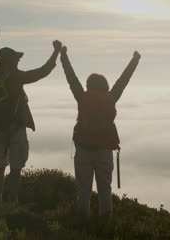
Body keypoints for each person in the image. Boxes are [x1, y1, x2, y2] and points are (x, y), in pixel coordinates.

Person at [59, 45, 141, 215]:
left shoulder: (82, 97)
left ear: (88, 85)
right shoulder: (111, 97)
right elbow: (123, 80)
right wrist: (135, 60)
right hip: (104, 149)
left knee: (83, 189)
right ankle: (105, 223)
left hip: (83, 148)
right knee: (105, 189)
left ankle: (83, 221)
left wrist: (63, 56)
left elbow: (71, 78)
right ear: (105, 85)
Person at [0, 29, 62, 202]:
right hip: (16, 126)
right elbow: (42, 71)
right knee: (16, 167)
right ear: (11, 62)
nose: (18, 62)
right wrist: (56, 52)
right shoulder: (17, 77)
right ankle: (12, 200)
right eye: (16, 60)